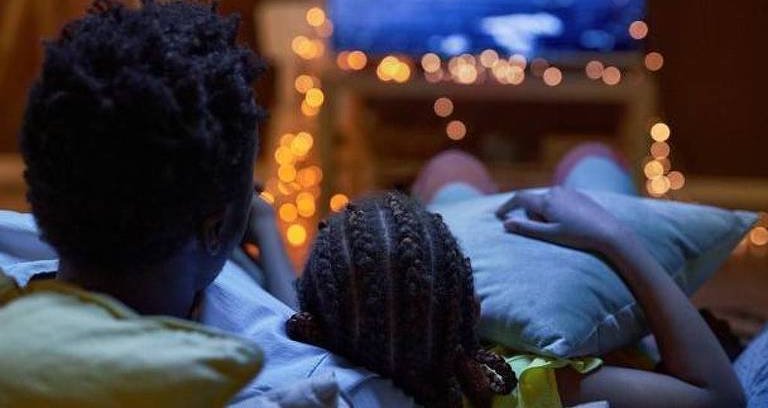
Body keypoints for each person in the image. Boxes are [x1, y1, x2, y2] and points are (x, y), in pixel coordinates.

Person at [1, 0, 415, 406]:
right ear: (215, 228)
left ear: (41, 195)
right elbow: (296, 342)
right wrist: (266, 227)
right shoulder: (299, 381)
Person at [287, 148, 747, 408]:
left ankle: (470, 187)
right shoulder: (523, 386)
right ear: (474, 306)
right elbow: (721, 398)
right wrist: (613, 236)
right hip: (630, 326)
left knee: (450, 170)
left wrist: (267, 229)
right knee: (592, 161)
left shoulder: (326, 366)